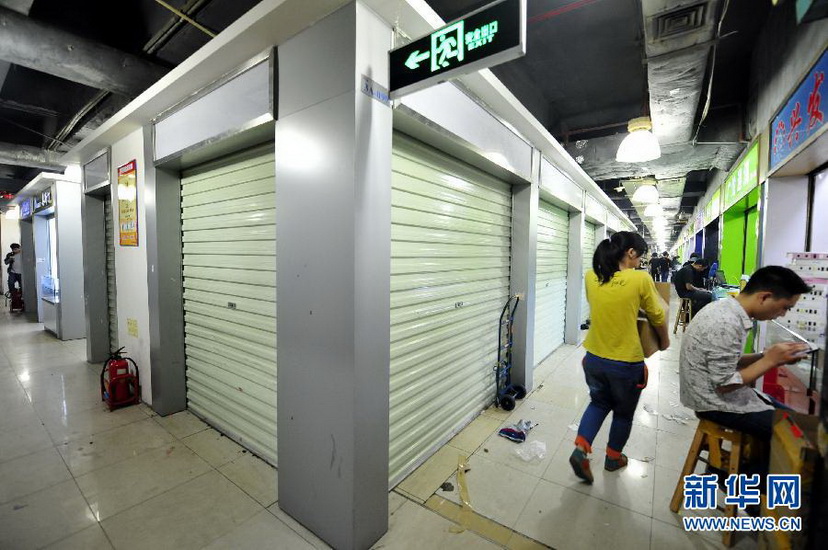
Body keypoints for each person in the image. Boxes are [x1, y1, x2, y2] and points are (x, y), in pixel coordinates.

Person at [679, 266, 812, 477]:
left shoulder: (727, 311)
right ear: (765, 297)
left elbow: (726, 361)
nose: (783, 314)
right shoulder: (726, 322)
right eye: (784, 307)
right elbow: (724, 384)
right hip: (712, 402)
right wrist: (769, 361)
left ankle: (722, 472)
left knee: (792, 419)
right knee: (790, 432)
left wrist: (764, 356)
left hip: (710, 393)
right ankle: (745, 486)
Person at [569, 231, 669, 484]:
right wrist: (664, 340)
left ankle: (581, 449)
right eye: (640, 256)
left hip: (593, 358)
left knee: (598, 403)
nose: (640, 262)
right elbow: (657, 315)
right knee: (623, 414)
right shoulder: (640, 279)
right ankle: (613, 457)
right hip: (625, 363)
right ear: (631, 253)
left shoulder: (592, 276)